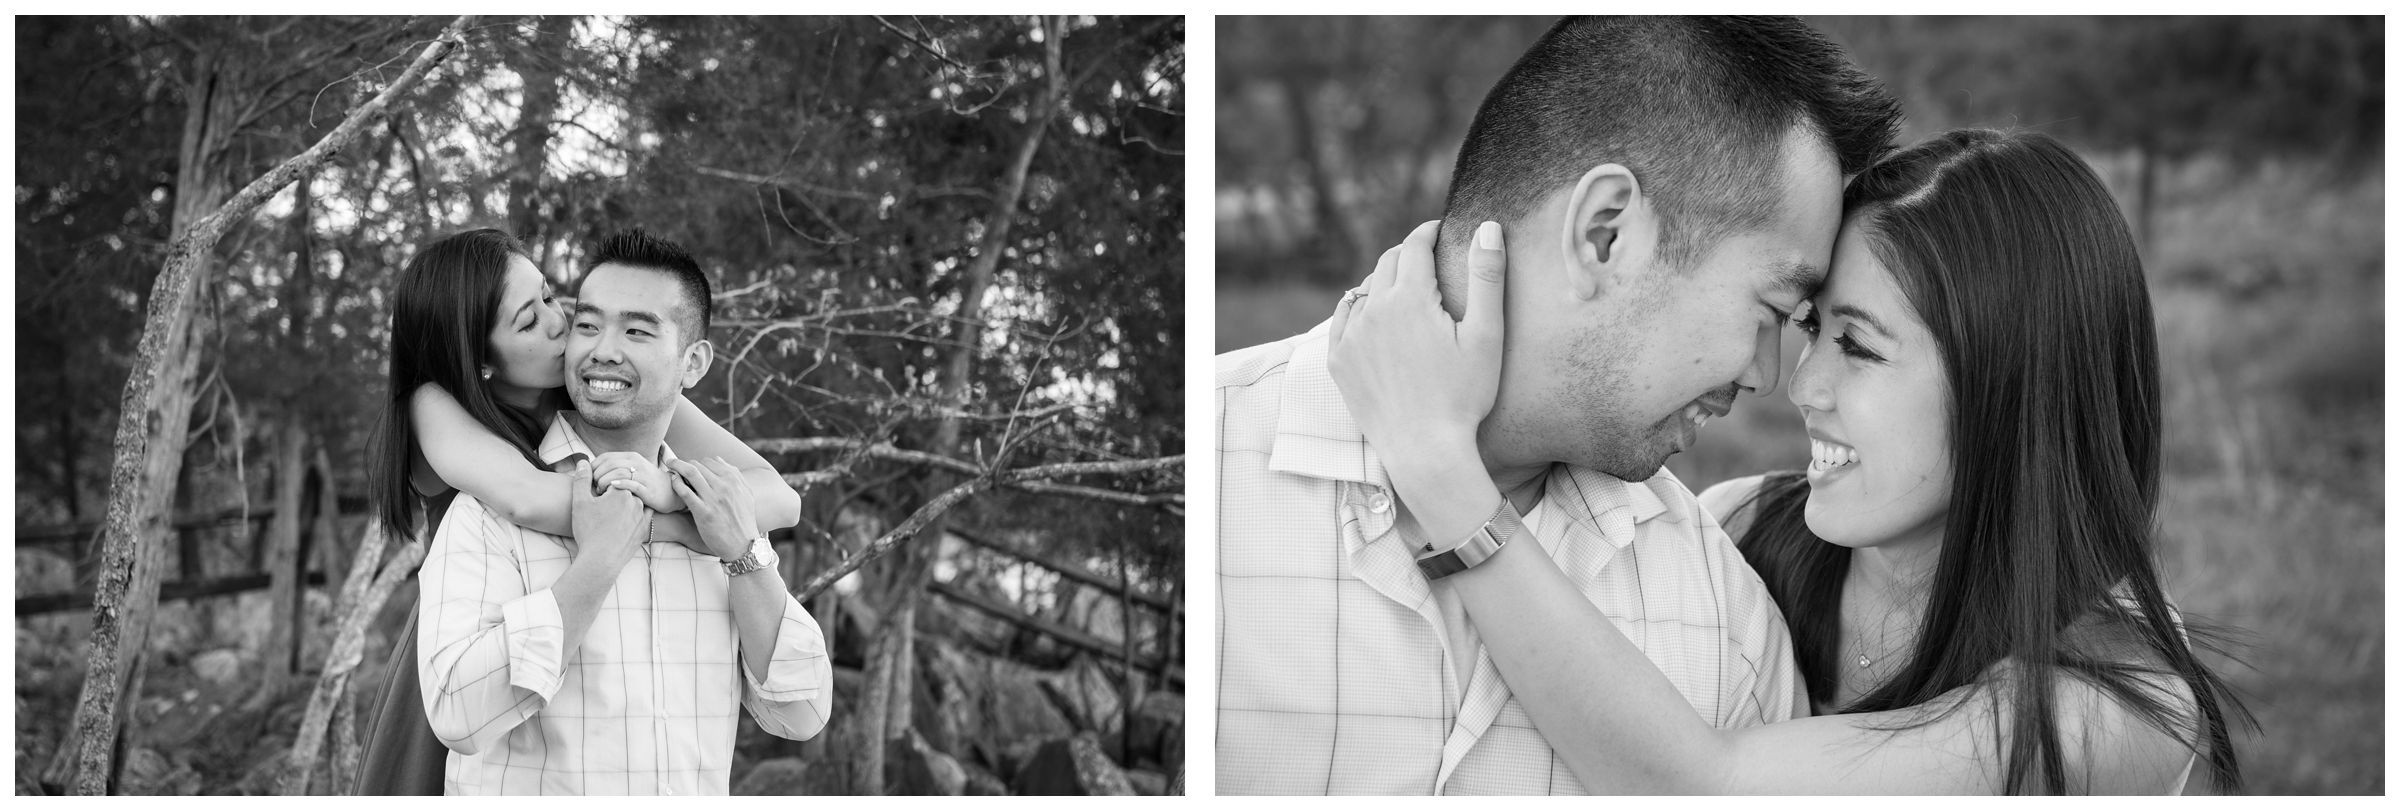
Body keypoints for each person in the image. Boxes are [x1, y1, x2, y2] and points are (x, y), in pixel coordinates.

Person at [1327, 129, 2249, 793]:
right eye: (1812, 330)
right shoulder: (1742, 525)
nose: (1801, 386)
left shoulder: (2111, 705)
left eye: (1862, 346)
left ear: (2015, 387)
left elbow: (1701, 785)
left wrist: (1441, 471)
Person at [1214, 16, 1902, 794]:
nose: (1768, 376)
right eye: (1774, 309)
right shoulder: (1205, 469)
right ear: (1605, 233)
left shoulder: (1726, 617)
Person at [356, 229, 821, 794]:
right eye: (528, 321)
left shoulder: (617, 392)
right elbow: (530, 498)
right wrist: (642, 526)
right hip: (467, 649)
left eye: (552, 298)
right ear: (477, 359)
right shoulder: (439, 412)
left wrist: (687, 504)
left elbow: (776, 496)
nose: (560, 324)